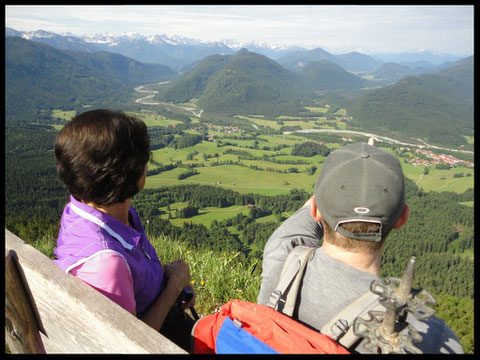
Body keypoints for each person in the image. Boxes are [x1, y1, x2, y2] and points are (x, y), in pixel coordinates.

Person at [257, 139, 464, 354]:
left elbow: (309, 207)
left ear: (317, 211)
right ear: (403, 218)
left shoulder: (282, 253)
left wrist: (354, 168)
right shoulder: (431, 337)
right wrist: (372, 173)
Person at [53, 109, 196, 351]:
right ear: (125, 175)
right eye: (142, 159)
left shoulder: (83, 208)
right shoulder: (107, 264)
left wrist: (167, 276)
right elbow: (130, 344)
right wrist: (173, 288)